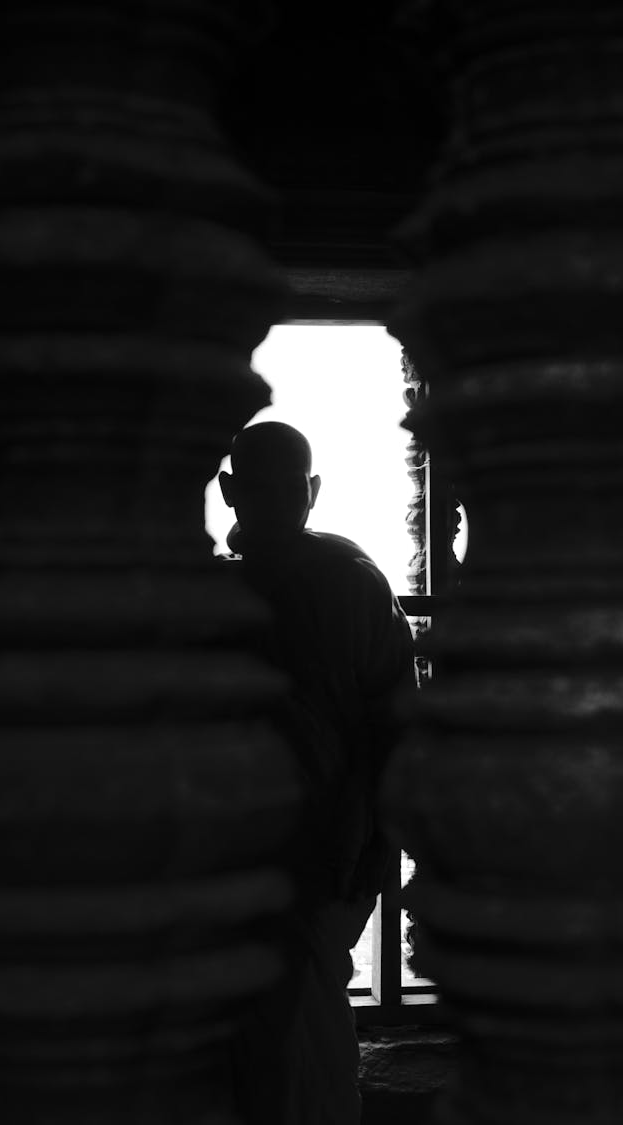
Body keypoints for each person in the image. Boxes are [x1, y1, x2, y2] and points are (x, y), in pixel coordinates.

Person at [218, 420, 415, 1125]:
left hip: (293, 849)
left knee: (281, 1042)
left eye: (282, 490)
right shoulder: (352, 580)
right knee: (302, 1038)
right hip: (316, 846)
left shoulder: (217, 595)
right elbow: (396, 722)